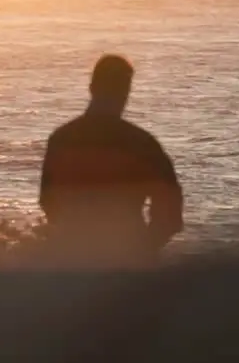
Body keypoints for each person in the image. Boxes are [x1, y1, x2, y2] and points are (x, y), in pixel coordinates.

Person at [38, 54, 183, 267]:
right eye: (121, 89)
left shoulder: (62, 139)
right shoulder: (141, 143)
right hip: (129, 262)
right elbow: (170, 213)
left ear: (92, 88)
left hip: (72, 260)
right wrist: (144, 249)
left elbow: (48, 201)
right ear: (125, 92)